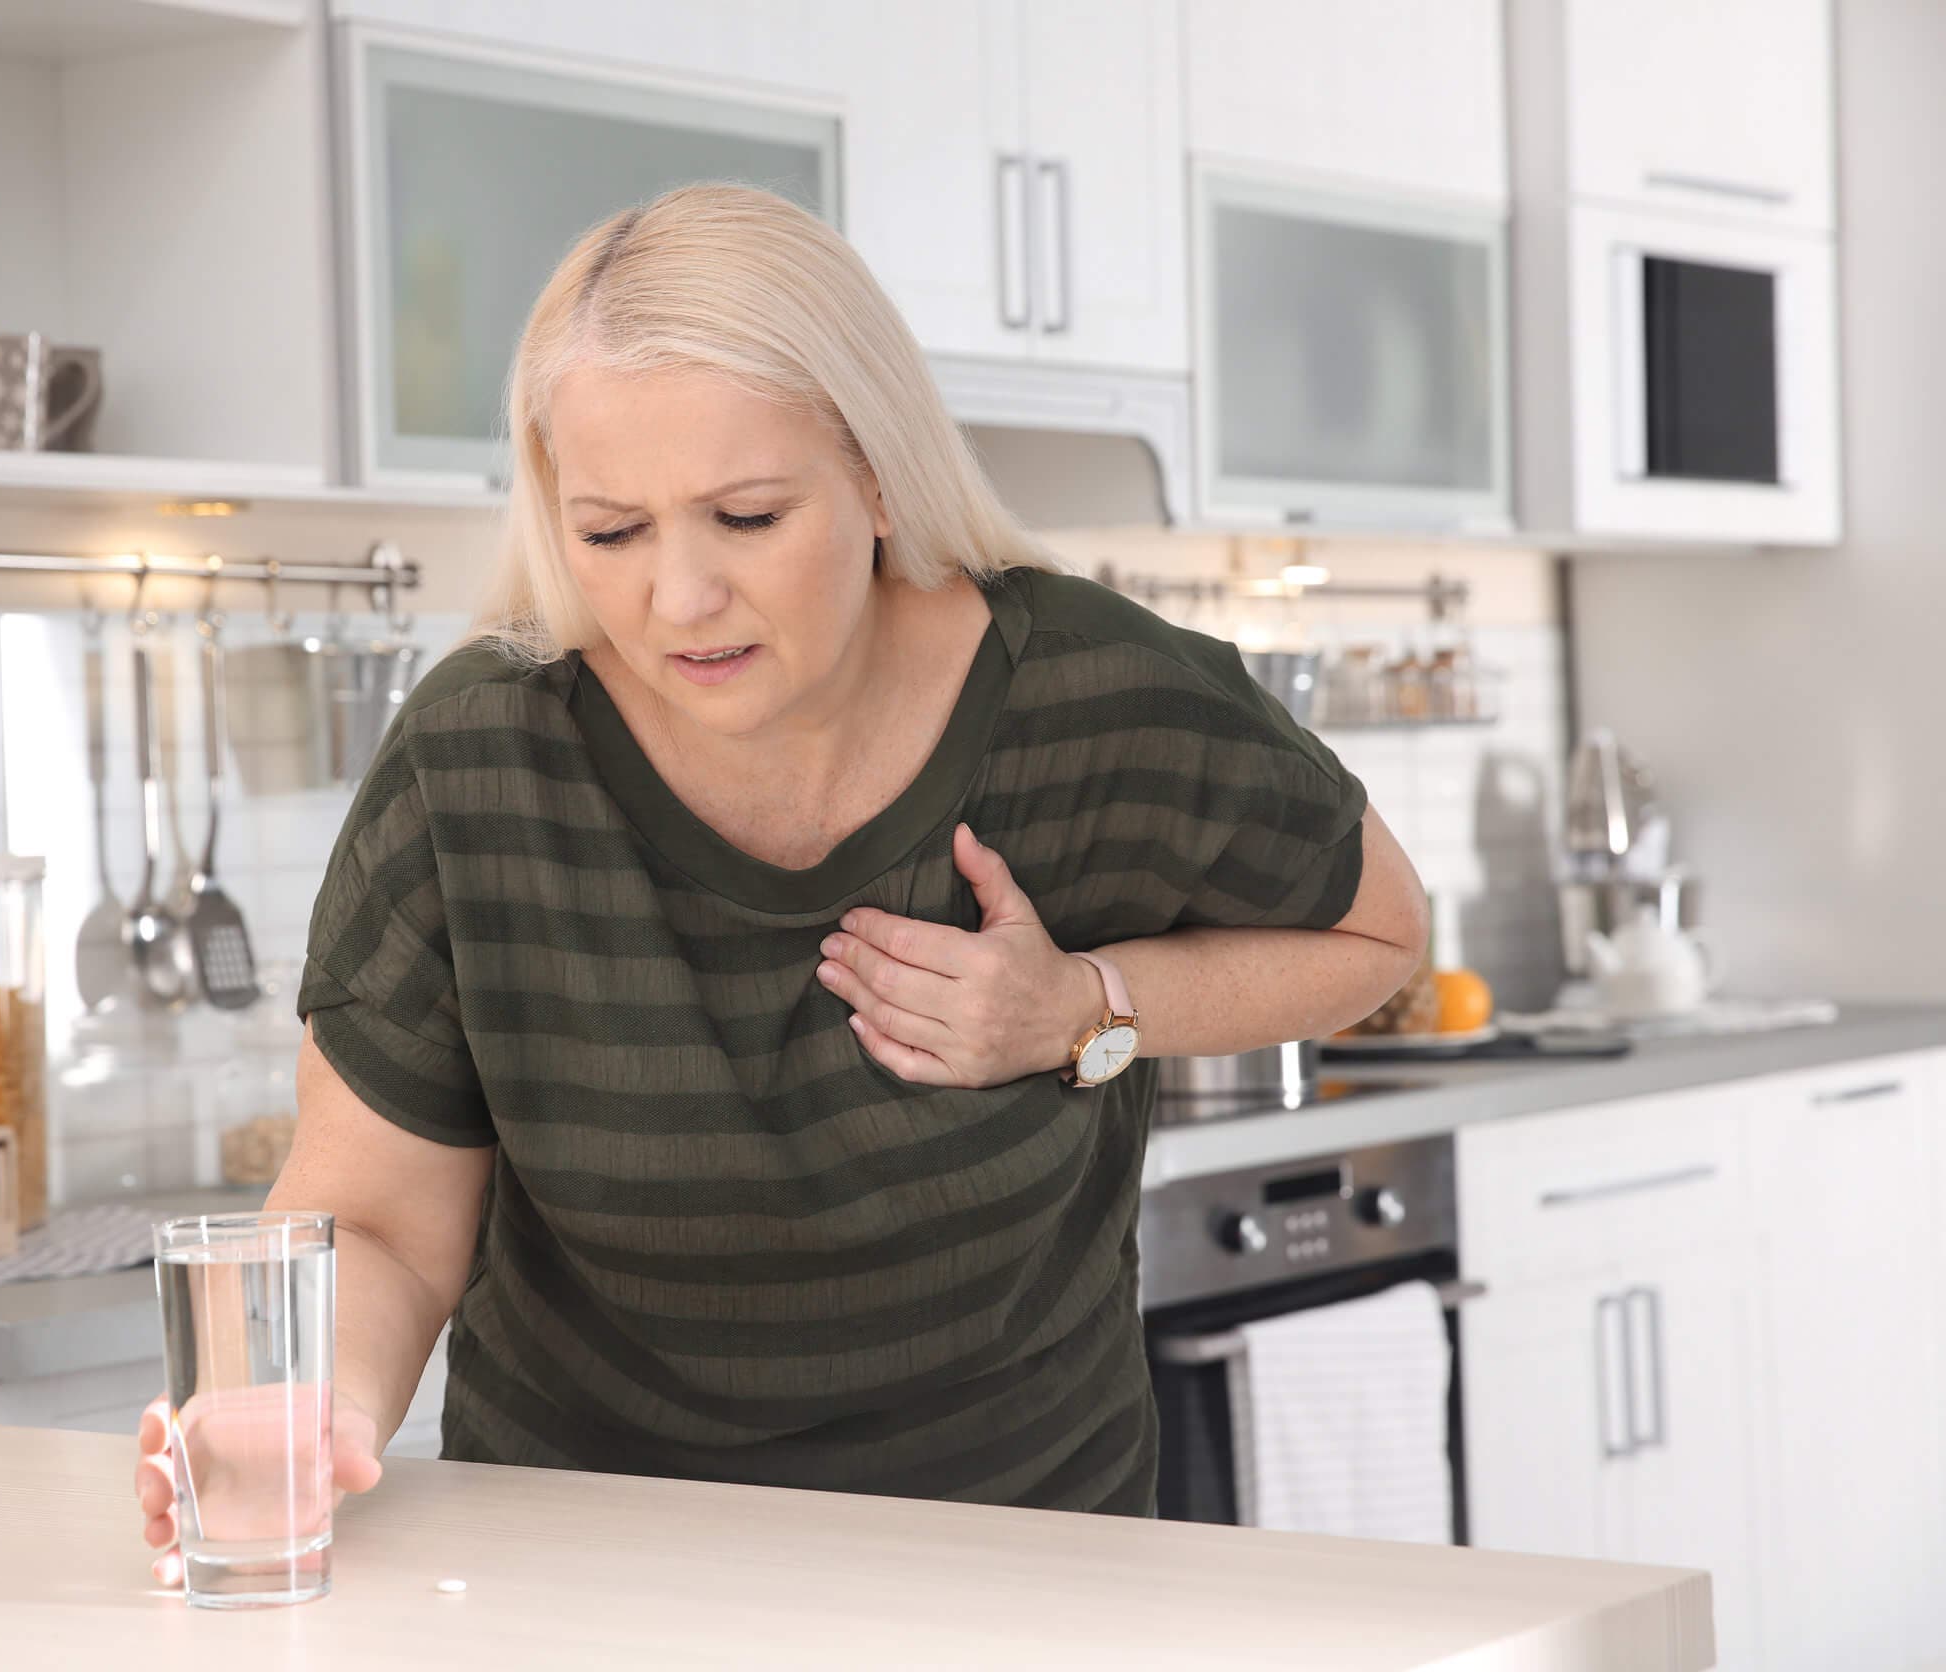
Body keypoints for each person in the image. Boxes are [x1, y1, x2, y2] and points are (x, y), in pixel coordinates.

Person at [136, 183, 1427, 1581]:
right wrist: (312, 1409)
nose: (677, 599)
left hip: (1024, 1584)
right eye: (611, 532)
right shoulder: (480, 763)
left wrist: (1086, 1010)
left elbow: (1380, 933)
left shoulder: (1094, 698)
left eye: (745, 517)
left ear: (878, 476)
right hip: (590, 1588)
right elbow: (380, 1219)